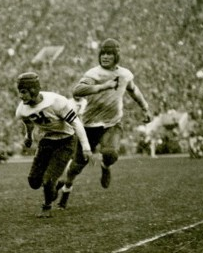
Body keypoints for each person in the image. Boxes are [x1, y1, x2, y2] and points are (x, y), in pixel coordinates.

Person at [56, 38, 152, 209]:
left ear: (116, 56)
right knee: (76, 166)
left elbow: (133, 90)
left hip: (112, 123)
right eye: (103, 53)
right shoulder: (94, 74)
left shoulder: (124, 74)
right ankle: (66, 190)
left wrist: (145, 107)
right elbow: (77, 90)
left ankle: (105, 166)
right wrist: (102, 87)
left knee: (111, 153)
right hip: (89, 124)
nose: (106, 57)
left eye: (109, 54)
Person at [14, 72, 92, 218]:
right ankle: (56, 184)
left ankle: (47, 206)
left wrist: (86, 147)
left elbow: (75, 122)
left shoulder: (56, 101)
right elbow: (28, 122)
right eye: (19, 92)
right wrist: (29, 136)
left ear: (33, 90)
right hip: (47, 140)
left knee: (48, 180)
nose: (20, 96)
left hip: (66, 140)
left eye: (23, 91)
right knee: (34, 181)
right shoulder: (22, 109)